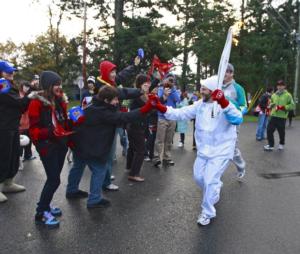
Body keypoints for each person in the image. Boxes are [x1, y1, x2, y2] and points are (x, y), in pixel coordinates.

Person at [152, 75, 243, 226]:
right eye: (201, 87)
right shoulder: (200, 104)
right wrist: (161, 107)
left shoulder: (225, 104)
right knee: (198, 178)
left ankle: (207, 212)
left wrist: (223, 102)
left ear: (213, 90)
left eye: (205, 88)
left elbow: (237, 119)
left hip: (221, 150)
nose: (201, 90)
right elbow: (181, 113)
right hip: (204, 150)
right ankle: (214, 189)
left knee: (209, 180)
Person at [67, 85, 155, 208]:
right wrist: (146, 108)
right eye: (114, 100)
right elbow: (125, 117)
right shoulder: (105, 112)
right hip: (93, 148)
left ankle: (71, 190)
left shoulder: (92, 103)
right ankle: (94, 200)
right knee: (99, 170)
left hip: (79, 145)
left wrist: (139, 91)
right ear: (106, 100)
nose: (117, 102)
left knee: (78, 166)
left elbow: (122, 92)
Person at [67, 57, 142, 193]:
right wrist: (140, 92)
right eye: (111, 72)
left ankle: (73, 190)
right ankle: (103, 186)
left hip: (91, 127)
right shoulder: (103, 87)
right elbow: (122, 93)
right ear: (105, 73)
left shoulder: (107, 81)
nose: (114, 74)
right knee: (105, 157)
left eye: (114, 71)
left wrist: (133, 65)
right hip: (103, 125)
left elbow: (121, 76)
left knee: (82, 161)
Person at [28, 71, 72, 228]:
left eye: (60, 83)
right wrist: (49, 132)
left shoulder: (60, 100)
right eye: (56, 84)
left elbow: (63, 121)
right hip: (47, 146)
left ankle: (45, 206)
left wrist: (73, 120)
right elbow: (32, 131)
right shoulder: (36, 103)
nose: (59, 87)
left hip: (60, 144)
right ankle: (41, 213)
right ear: (48, 85)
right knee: (54, 179)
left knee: (53, 178)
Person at [0, 61, 32, 203]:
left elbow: (20, 107)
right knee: (3, 156)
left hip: (12, 126)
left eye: (12, 71)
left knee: (14, 154)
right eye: (8, 71)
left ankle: (8, 183)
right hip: (3, 127)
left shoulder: (9, 85)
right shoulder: (2, 85)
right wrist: (29, 96)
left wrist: (26, 99)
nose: (11, 73)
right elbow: (18, 103)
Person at [222, 63, 247, 179]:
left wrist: (237, 115)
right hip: (219, 122)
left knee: (232, 148)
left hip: (233, 123)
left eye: (228, 71)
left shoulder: (238, 88)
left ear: (232, 73)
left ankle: (241, 167)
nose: (225, 74)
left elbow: (243, 106)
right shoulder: (217, 86)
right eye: (224, 71)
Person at [126, 74, 151, 182]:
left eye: (148, 83)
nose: (148, 85)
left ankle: (129, 167)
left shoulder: (139, 93)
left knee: (132, 147)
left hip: (133, 125)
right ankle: (134, 173)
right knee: (141, 150)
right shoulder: (138, 95)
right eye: (146, 83)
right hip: (136, 126)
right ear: (141, 84)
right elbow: (147, 106)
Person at [153, 73, 180, 167]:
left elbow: (178, 99)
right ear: (164, 80)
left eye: (172, 80)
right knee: (159, 139)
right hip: (162, 117)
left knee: (169, 140)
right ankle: (156, 158)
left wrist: (173, 89)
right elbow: (159, 101)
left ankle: (167, 157)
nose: (170, 82)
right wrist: (165, 93)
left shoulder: (174, 90)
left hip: (172, 118)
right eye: (169, 79)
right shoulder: (160, 89)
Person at [264, 80, 295, 151]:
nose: (280, 87)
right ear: (277, 86)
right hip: (273, 115)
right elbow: (271, 103)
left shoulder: (288, 95)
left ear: (284, 86)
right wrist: (270, 105)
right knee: (269, 130)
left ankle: (281, 143)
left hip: (282, 117)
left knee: (281, 131)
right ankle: (271, 145)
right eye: (278, 85)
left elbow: (292, 106)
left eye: (281, 85)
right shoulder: (274, 95)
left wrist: (283, 107)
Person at [19, 81, 36, 164]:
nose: (27, 88)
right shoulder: (19, 95)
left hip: (28, 122)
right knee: (20, 142)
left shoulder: (29, 95)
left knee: (29, 140)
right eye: (25, 86)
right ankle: (19, 158)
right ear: (21, 86)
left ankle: (28, 155)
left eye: (28, 86)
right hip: (20, 123)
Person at [144, 78, 160, 161]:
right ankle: (145, 154)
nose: (156, 89)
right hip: (150, 121)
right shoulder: (149, 97)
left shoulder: (157, 97)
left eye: (157, 88)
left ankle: (151, 155)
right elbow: (149, 110)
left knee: (154, 139)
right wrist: (156, 110)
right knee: (149, 139)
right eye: (155, 88)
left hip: (156, 121)